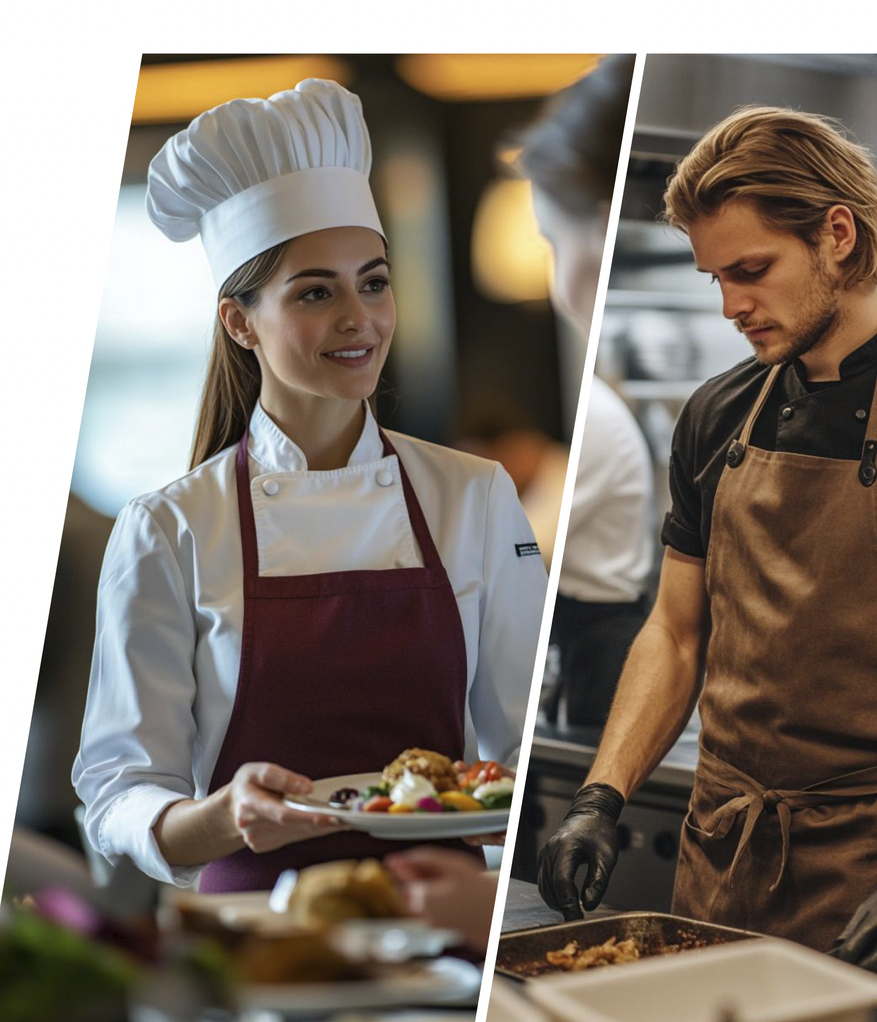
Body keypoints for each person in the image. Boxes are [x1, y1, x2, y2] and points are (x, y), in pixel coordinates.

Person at [535, 106, 877, 999]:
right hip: (721, 863)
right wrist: (600, 796)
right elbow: (675, 633)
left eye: (751, 271)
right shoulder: (714, 417)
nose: (731, 305)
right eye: (715, 278)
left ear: (838, 236)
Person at [73, 79, 546, 892]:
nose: (359, 318)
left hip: (444, 926)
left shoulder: (476, 495)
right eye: (316, 292)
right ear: (239, 321)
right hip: (253, 933)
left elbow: (526, 753)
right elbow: (117, 794)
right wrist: (226, 814)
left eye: (374, 281)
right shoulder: (168, 529)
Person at [511, 54, 653, 725]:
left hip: (604, 678)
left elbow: (516, 564)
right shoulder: (599, 401)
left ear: (600, 231)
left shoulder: (596, 412)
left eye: (550, 242)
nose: (554, 276)